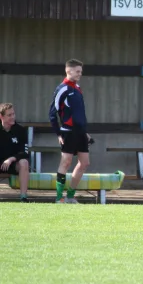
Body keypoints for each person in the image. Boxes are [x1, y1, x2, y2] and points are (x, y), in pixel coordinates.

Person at [49, 59, 91, 204]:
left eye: (81, 71)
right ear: (69, 71)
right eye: (78, 71)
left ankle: (70, 196)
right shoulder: (62, 89)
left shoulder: (78, 88)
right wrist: (59, 133)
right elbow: (52, 113)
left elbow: (80, 113)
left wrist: (84, 131)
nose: (80, 74)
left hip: (80, 133)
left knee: (84, 163)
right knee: (66, 162)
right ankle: (59, 198)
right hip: (68, 131)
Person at [0, 103, 30, 202]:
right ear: (1, 116)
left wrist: (11, 159)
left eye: (13, 114)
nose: (13, 117)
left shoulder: (20, 130)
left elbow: (25, 152)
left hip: (13, 164)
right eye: (9, 115)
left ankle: (23, 197)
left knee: (24, 162)